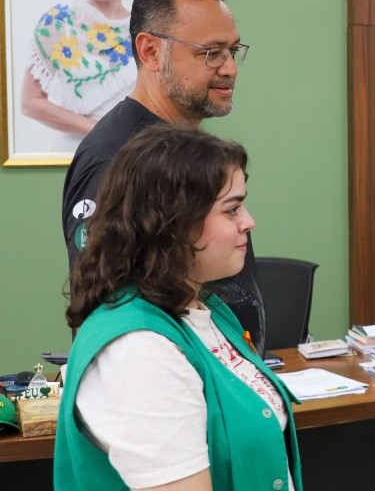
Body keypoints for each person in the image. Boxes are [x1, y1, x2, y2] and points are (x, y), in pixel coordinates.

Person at [54, 125, 301, 490]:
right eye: (232, 210)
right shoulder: (139, 350)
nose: (249, 222)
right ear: (174, 224)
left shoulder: (206, 309)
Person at [61, 0, 266, 354]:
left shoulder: (186, 148)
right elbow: (106, 308)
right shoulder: (115, 158)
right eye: (211, 52)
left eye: (233, 50)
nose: (230, 68)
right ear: (151, 52)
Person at [22, 0, 137, 152]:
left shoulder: (143, 28)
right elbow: (30, 103)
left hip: (133, 153)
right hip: (73, 152)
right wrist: (105, 131)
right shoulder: (57, 26)